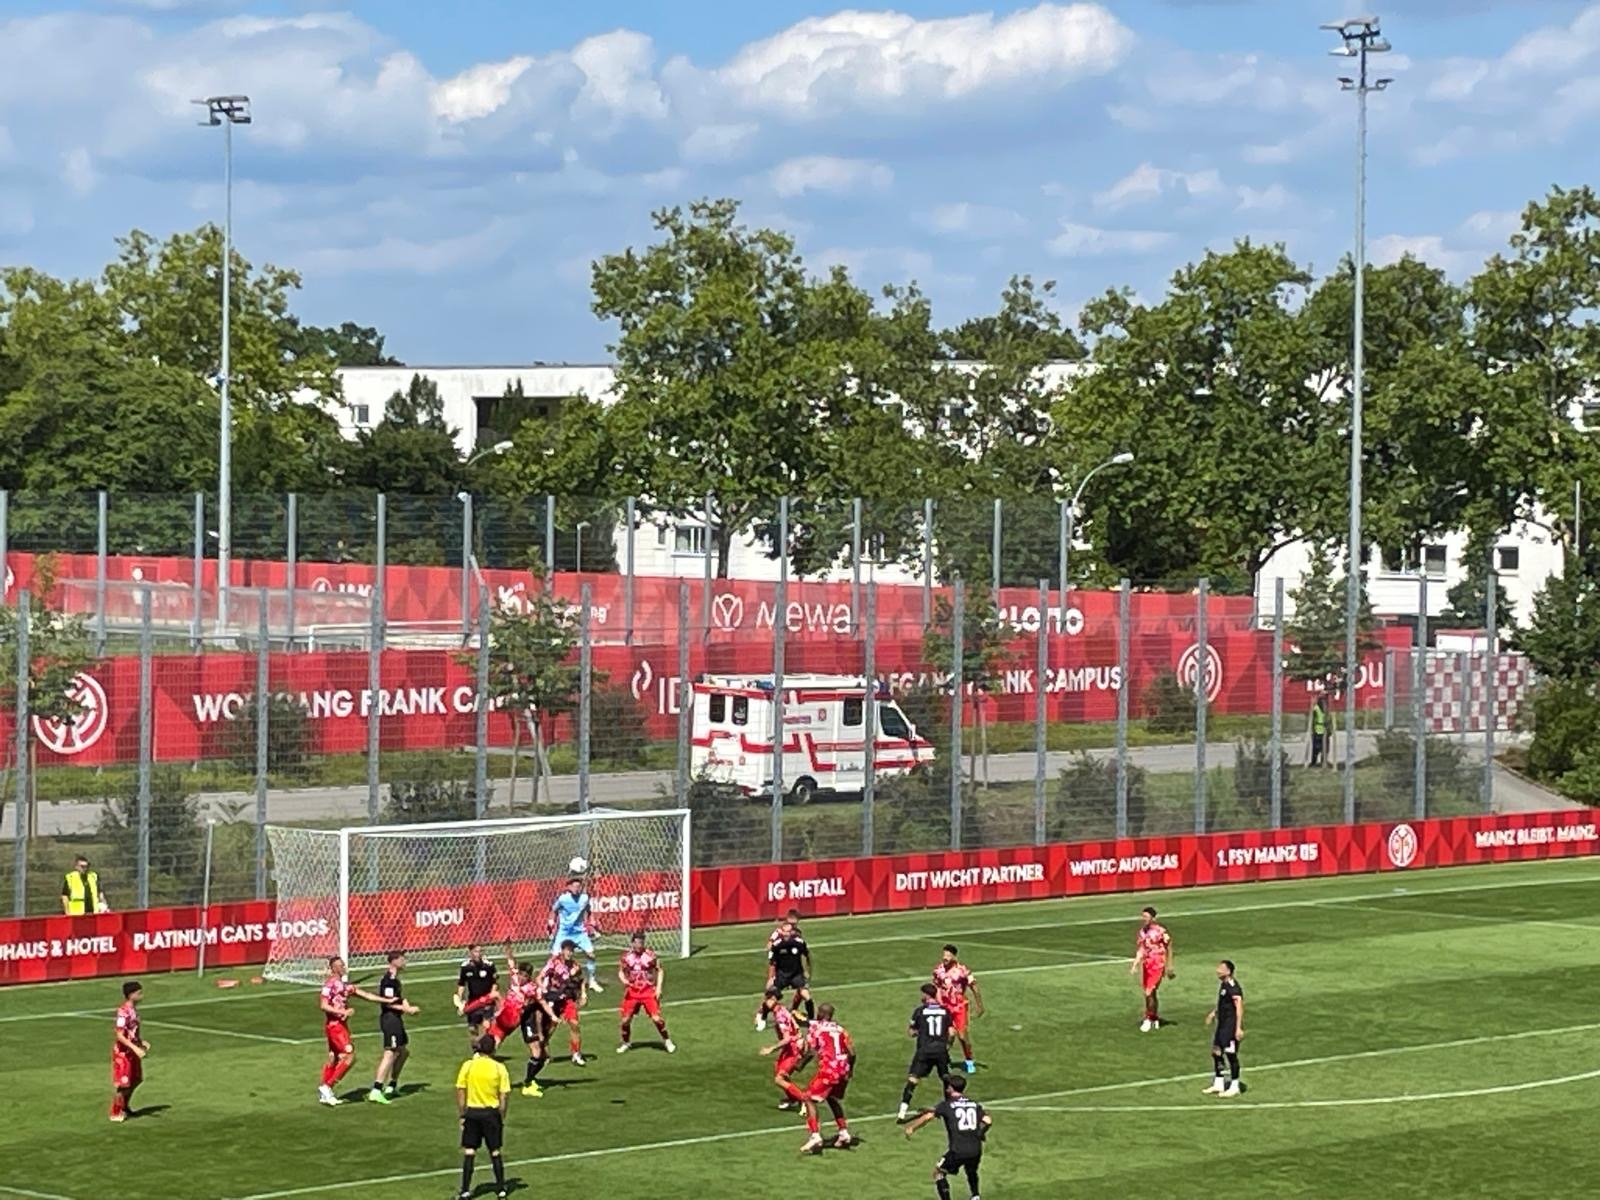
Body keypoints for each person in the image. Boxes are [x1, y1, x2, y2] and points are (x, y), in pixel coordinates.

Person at [317, 956, 394, 1106]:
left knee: (334, 1058)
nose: (343, 967)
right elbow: (323, 1005)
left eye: (343, 965)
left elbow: (367, 995)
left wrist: (386, 1001)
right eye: (340, 965)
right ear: (333, 968)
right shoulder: (330, 985)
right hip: (335, 1026)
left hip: (339, 1025)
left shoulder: (346, 987)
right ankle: (327, 1087)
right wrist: (343, 1012)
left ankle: (325, 1092)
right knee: (350, 1056)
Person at [904, 1075, 992, 1200]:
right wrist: (981, 1133)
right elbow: (988, 1121)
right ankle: (975, 1196)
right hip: (975, 1149)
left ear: (951, 1088)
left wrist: (912, 1128)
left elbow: (928, 1116)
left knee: (939, 1172)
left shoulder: (947, 1105)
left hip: (958, 1150)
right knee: (971, 1170)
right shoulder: (974, 1104)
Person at [455, 1034, 511, 1200]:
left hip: (472, 1112)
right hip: (491, 1113)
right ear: (493, 1049)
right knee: (495, 1151)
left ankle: (465, 1190)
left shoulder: (469, 1066)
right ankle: (500, 1188)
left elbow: (460, 1090)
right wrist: (502, 1115)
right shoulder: (499, 1068)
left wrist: (462, 1114)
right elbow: (504, 1095)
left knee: (470, 1151)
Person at [800, 1003, 855, 1154]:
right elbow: (852, 1053)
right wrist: (850, 1070)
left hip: (829, 1070)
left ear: (821, 1014)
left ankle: (815, 1135)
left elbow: (811, 1051)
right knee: (832, 1098)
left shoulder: (817, 1028)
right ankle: (843, 1133)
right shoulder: (840, 1029)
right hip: (843, 1069)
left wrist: (799, 1065)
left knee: (808, 1098)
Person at [370, 950, 420, 1103]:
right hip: (390, 1019)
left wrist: (405, 1004)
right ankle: (376, 1090)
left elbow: (398, 998)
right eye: (402, 959)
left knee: (403, 1052)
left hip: (396, 1019)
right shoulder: (388, 980)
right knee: (390, 1052)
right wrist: (407, 1009)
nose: (405, 962)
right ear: (394, 961)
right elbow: (387, 1003)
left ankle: (392, 1085)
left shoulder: (395, 980)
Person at [900, 982, 954, 1121]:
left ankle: (902, 1112)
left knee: (913, 1079)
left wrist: (920, 1032)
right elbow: (952, 1032)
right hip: (940, 1049)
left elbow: (911, 1032)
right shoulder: (945, 1011)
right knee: (945, 1077)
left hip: (924, 1050)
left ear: (926, 995)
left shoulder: (920, 1011)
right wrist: (948, 1045)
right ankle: (950, 1107)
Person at [504, 945, 552, 1097]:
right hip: (512, 1017)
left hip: (526, 1019)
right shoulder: (514, 978)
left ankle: (530, 1081)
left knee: (542, 1056)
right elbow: (511, 962)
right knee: (537, 1053)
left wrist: (553, 1016)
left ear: (529, 977)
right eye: (521, 974)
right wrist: (508, 949)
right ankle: (528, 1084)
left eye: (525, 976)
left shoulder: (532, 988)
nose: (521, 978)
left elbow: (542, 1002)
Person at [616, 930, 675, 1054]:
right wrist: (624, 980)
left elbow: (660, 970)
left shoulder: (650, 956)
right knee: (625, 1020)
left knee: (656, 1018)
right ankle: (626, 1042)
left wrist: (658, 988)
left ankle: (667, 1041)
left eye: (641, 943)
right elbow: (621, 971)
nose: (639, 945)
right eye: (637, 943)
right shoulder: (626, 957)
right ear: (632, 943)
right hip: (632, 992)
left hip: (647, 991)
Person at [933, 944, 985, 1074]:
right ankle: (942, 1058)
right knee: (949, 1035)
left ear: (954, 956)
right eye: (944, 955)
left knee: (962, 1036)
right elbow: (937, 987)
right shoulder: (938, 970)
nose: (945, 958)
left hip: (959, 1006)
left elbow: (974, 987)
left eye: (948, 956)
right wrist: (938, 1003)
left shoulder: (963, 971)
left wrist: (979, 1005)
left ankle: (969, 1060)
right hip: (945, 1007)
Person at [538, 938, 589, 1067]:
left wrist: (583, 994)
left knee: (575, 1024)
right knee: (550, 1029)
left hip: (567, 999)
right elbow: (539, 977)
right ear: (562, 951)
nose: (570, 953)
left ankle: (576, 1053)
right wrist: (542, 988)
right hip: (553, 998)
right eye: (568, 950)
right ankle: (544, 1053)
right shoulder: (553, 963)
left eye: (572, 951)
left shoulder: (575, 965)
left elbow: (582, 980)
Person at [756, 987, 808, 1111]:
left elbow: (787, 1038)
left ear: (773, 998)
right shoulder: (779, 1009)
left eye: (767, 998)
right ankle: (793, 1098)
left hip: (794, 1048)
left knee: (779, 1079)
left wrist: (771, 1049)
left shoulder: (780, 1015)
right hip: (791, 1047)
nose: (765, 1001)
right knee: (779, 1070)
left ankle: (804, 1100)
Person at [548, 876, 603, 993]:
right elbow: (553, 911)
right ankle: (548, 981)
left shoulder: (584, 898)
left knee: (591, 955)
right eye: (574, 886)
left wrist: (592, 922)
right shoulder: (563, 899)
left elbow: (588, 910)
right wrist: (551, 922)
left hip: (579, 933)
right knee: (554, 958)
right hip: (564, 933)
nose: (576, 888)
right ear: (569, 887)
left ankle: (592, 981)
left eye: (578, 886)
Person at [756, 909, 806, 1030]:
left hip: (793, 968)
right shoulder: (779, 932)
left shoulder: (797, 933)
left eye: (795, 923)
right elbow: (769, 945)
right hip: (777, 965)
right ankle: (761, 1012)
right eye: (792, 923)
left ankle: (793, 1010)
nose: (793, 925)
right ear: (788, 919)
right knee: (772, 990)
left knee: (802, 990)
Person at [1203, 959, 1245, 1098]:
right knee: (1216, 1052)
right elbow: (1224, 1004)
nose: (1217, 970)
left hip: (1230, 1027)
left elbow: (1239, 1006)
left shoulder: (1233, 987)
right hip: (1222, 1025)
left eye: (1221, 968)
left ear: (1228, 971)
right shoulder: (1224, 985)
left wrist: (1238, 1028)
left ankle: (1235, 1085)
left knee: (1231, 1054)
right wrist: (1214, 1013)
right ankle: (1219, 1082)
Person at [110, 980, 148, 1123]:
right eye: (139, 993)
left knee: (136, 1080)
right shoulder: (123, 1012)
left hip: (132, 1051)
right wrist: (135, 1048)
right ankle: (116, 1111)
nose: (141, 996)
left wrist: (140, 1042)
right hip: (124, 1053)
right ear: (131, 995)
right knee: (124, 1084)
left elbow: (131, 1032)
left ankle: (125, 1107)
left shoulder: (133, 1011)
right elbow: (120, 1035)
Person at [1131, 906, 1173, 1032]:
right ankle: (1154, 1017)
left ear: (1153, 918)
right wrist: (1135, 964)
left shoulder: (1160, 931)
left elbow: (1169, 946)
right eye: (1143, 916)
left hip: (1158, 963)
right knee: (1150, 993)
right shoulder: (1142, 932)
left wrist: (1169, 965)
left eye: (1146, 917)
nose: (1144, 919)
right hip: (1147, 964)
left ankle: (1148, 1018)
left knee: (1149, 991)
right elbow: (1141, 949)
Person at [766, 918, 814, 1027]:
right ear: (781, 932)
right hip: (782, 975)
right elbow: (772, 963)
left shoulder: (799, 943)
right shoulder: (777, 946)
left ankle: (812, 1021)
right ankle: (762, 1016)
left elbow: (807, 956)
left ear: (792, 932)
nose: (787, 934)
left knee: (806, 996)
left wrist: (807, 971)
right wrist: (771, 978)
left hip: (796, 974)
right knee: (771, 996)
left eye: (789, 931)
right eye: (785, 932)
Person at [454, 944, 500, 1039]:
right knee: (472, 1029)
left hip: (487, 1001)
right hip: (473, 1001)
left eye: (480, 951)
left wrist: (491, 996)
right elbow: (462, 984)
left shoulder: (489, 965)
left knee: (486, 1026)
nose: (478, 954)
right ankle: (477, 1046)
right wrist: (460, 1001)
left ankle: (485, 1045)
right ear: (470, 953)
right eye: (476, 951)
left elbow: (495, 983)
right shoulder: (465, 967)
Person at [1310, 695, 1328, 768]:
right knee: (1316, 748)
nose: (1323, 702)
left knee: (1325, 749)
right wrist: (1313, 730)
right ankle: (1314, 762)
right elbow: (1313, 720)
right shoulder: (1316, 708)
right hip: (1317, 731)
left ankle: (1323, 762)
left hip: (1325, 731)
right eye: (1322, 701)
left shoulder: (1326, 709)